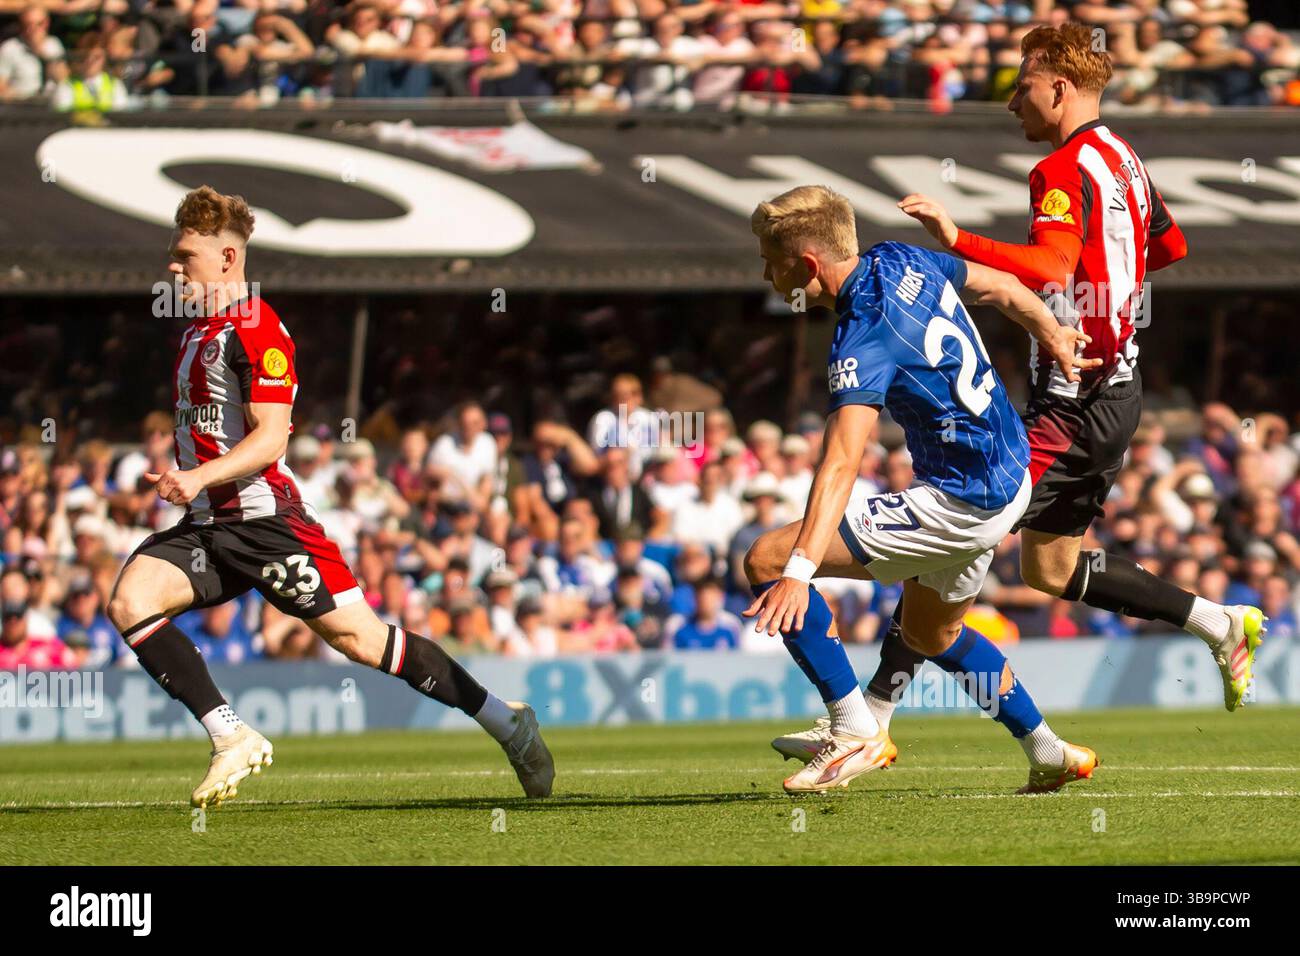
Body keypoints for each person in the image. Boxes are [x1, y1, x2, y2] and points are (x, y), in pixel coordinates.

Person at [106, 186, 553, 810]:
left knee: (363, 642)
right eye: (173, 254)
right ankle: (229, 736)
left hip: (267, 523)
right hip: (209, 524)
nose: (173, 266)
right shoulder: (194, 333)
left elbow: (269, 440)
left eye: (186, 255)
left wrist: (200, 477)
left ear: (229, 259)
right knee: (130, 600)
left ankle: (506, 722)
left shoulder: (257, 329)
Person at [890, 21, 1263, 720]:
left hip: (1074, 395)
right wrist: (1109, 288)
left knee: (961, 521)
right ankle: (1220, 623)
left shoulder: (1060, 169)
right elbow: (1171, 246)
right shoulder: (1124, 157)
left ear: (1059, 88)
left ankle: (865, 720)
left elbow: (1052, 264)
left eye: (1022, 86)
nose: (1012, 103)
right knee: (1048, 569)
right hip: (1117, 389)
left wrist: (956, 240)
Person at [745, 185, 1097, 794]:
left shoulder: (861, 333)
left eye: (769, 259)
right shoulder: (900, 258)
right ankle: (1050, 751)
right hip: (1009, 476)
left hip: (962, 499)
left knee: (767, 558)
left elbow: (841, 461)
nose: (766, 274)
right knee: (930, 636)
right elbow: (1005, 289)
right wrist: (1054, 335)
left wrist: (799, 571)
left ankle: (855, 729)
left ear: (807, 265)